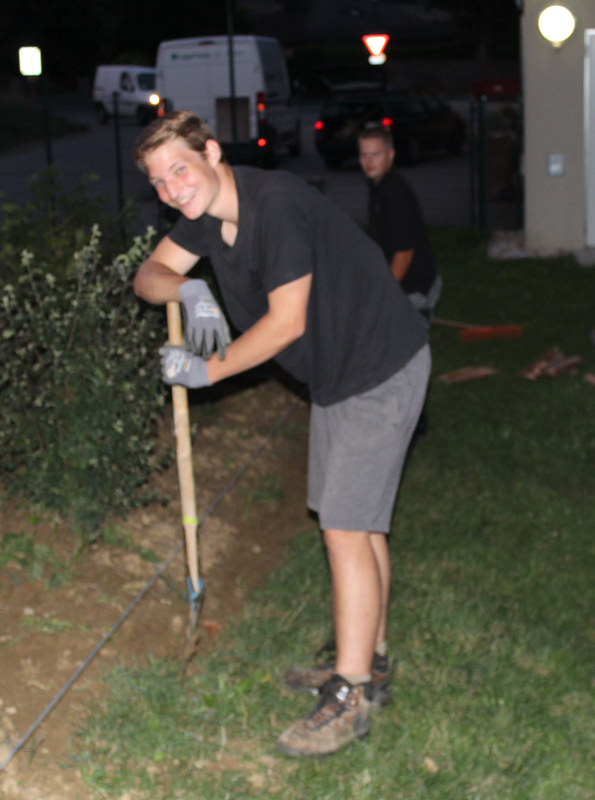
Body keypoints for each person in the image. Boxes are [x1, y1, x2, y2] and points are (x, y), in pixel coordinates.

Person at [131, 111, 430, 757]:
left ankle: (350, 694)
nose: (172, 188)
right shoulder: (205, 215)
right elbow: (146, 276)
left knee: (344, 527)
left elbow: (286, 323)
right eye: (158, 181)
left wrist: (208, 370)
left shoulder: (278, 205)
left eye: (180, 169)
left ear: (212, 153)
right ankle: (371, 660)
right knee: (356, 522)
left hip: (381, 364)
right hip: (339, 375)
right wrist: (189, 289)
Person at [357, 125, 442, 324]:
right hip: (399, 286)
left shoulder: (395, 194)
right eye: (364, 155)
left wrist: (385, 294)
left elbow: (404, 251)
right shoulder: (378, 187)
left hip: (412, 289)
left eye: (375, 154)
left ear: (390, 154)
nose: (369, 162)